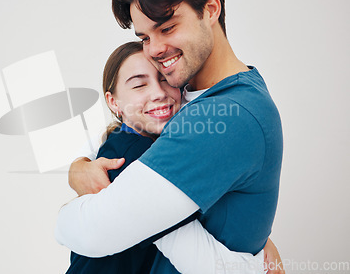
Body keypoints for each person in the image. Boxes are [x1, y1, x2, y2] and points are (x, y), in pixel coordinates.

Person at [56, 0, 284, 274]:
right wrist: (78, 168)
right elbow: (126, 134)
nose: (154, 49)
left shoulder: (223, 116)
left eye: (167, 27)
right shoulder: (191, 99)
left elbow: (92, 230)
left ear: (210, 9)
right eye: (145, 37)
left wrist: (65, 215)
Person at [65, 41, 278, 274]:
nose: (158, 93)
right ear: (113, 102)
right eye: (139, 85)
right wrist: (258, 264)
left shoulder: (124, 139)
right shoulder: (133, 157)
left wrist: (78, 165)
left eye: (165, 79)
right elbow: (195, 254)